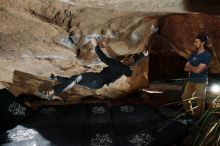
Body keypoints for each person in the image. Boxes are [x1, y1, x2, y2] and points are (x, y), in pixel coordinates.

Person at [41, 38, 148, 100]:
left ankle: (52, 92)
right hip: (97, 85)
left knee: (76, 79)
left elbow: (103, 58)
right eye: (126, 58)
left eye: (126, 59)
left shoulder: (117, 65)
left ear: (127, 63)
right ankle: (55, 77)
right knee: (75, 80)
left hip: (98, 79)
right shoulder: (126, 70)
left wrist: (96, 45)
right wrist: (142, 55)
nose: (125, 59)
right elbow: (132, 63)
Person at [181, 33, 212, 119]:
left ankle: (198, 119)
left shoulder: (207, 55)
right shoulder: (193, 54)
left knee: (200, 101)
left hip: (201, 81)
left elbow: (198, 70)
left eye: (196, 42)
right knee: (185, 97)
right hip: (191, 80)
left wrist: (190, 67)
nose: (195, 43)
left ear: (202, 43)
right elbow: (185, 68)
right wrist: (193, 67)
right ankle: (189, 114)